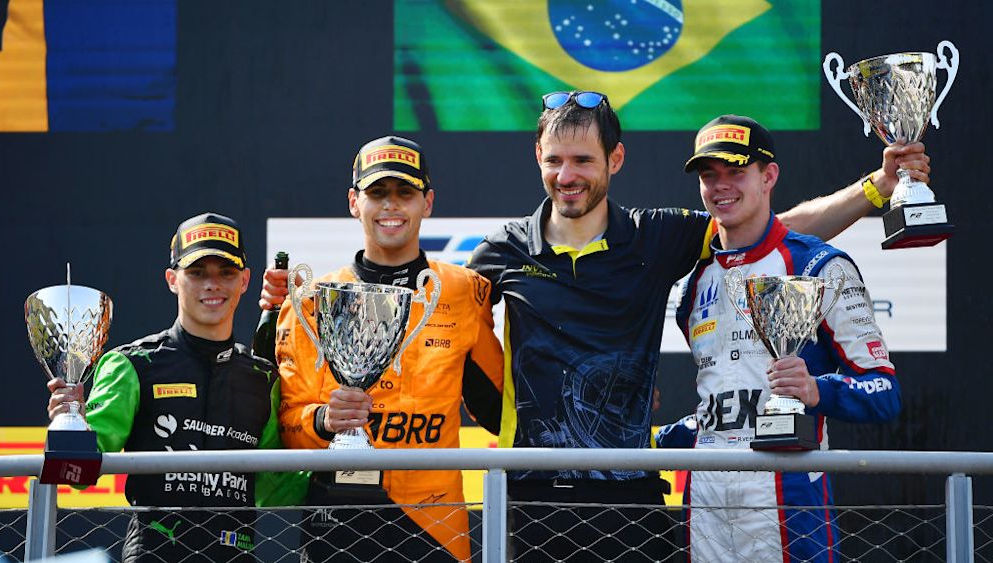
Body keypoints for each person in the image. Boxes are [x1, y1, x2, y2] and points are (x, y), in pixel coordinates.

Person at [466, 91, 928, 562]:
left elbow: (770, 229)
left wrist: (876, 187)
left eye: (583, 159)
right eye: (555, 160)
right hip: (531, 487)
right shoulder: (504, 248)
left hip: (634, 492)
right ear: (538, 158)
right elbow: (447, 330)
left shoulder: (657, 236)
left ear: (615, 159)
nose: (567, 176)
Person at [261, 135, 504, 562]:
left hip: (434, 521)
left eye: (404, 193)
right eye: (377, 193)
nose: (391, 206)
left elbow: (503, 410)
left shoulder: (465, 292)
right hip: (336, 513)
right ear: (354, 202)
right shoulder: (312, 300)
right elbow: (285, 430)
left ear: (427, 202)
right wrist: (322, 420)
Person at [675, 114, 902, 562]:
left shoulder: (820, 266)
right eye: (709, 175)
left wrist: (816, 389)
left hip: (789, 495)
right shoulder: (695, 281)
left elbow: (884, 392)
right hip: (704, 500)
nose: (722, 186)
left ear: (769, 175)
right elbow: (721, 399)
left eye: (736, 172)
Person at [46, 212, 307, 563]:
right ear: (172, 279)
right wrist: (68, 424)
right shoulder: (133, 364)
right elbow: (75, 476)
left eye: (225, 272)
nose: (212, 284)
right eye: (197, 272)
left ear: (244, 281)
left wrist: (346, 451)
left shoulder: (263, 378)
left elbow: (277, 491)